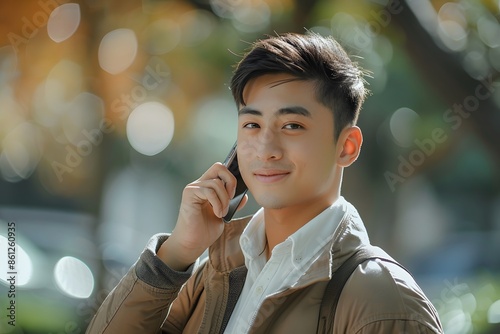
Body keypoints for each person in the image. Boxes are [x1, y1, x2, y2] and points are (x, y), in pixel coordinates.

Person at [86, 32, 443, 333]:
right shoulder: (215, 272)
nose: (266, 149)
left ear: (346, 146)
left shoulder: (385, 301)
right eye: (252, 125)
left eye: (292, 126)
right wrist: (177, 253)